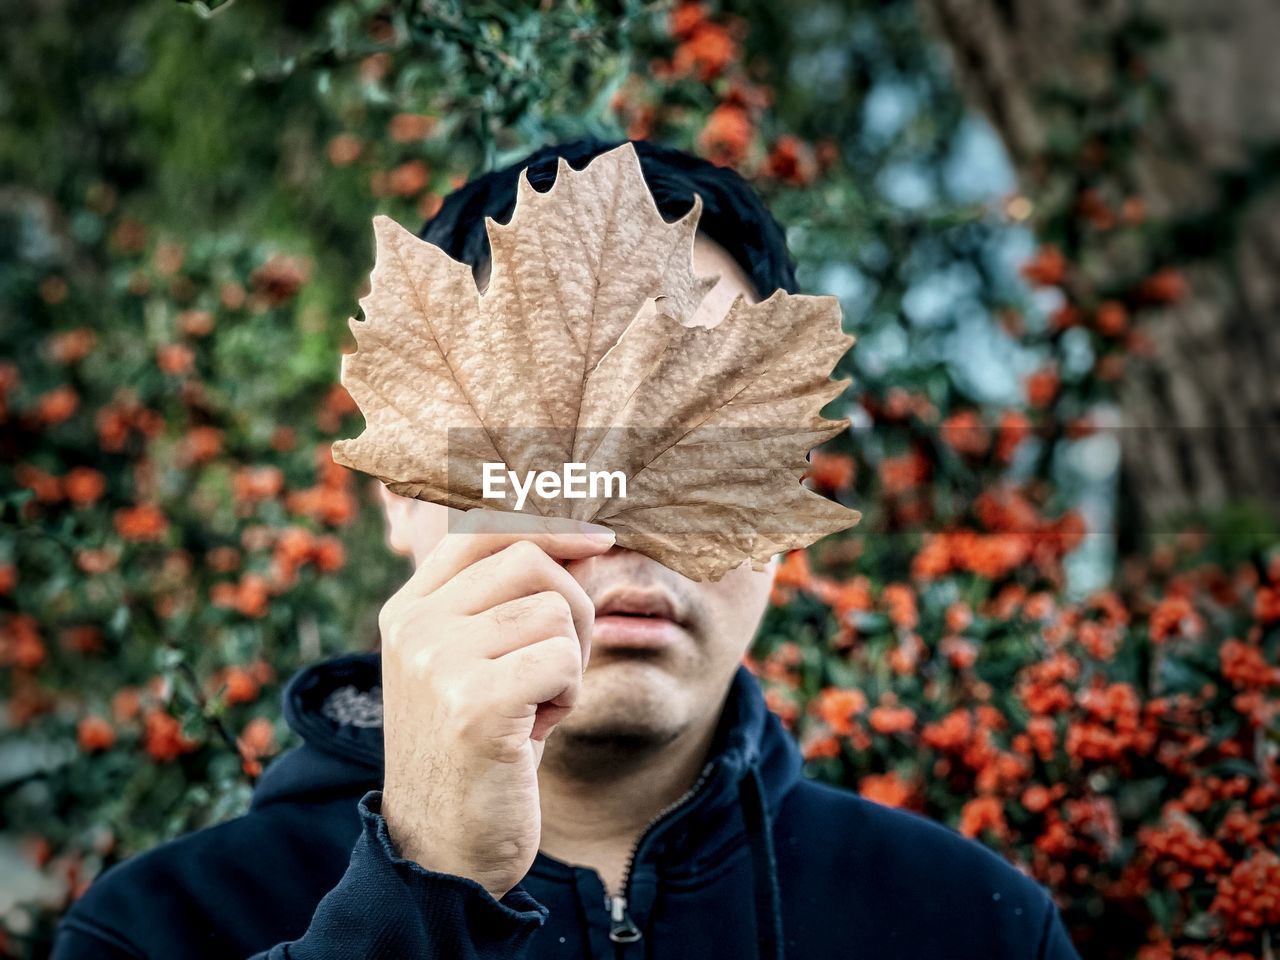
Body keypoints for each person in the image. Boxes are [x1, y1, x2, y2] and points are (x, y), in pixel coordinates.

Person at [53, 137, 1082, 960]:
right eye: (548, 442)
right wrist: (418, 900)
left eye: (702, 445)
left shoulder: (980, 927)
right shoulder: (157, 930)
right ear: (402, 496)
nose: (625, 520)